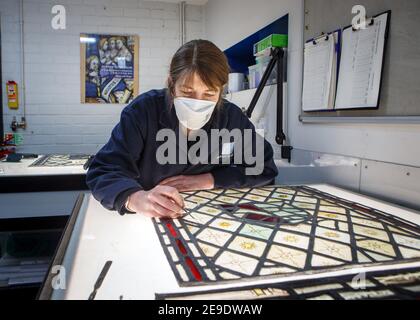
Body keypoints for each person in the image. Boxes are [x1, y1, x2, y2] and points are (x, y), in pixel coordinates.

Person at [86, 40, 278, 219]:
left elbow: (263, 167)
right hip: (147, 218)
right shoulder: (143, 111)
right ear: (171, 85)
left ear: (221, 91)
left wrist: (210, 179)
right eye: (187, 92)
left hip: (208, 215)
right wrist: (134, 198)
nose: (197, 103)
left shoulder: (231, 118)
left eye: (209, 94)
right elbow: (104, 170)